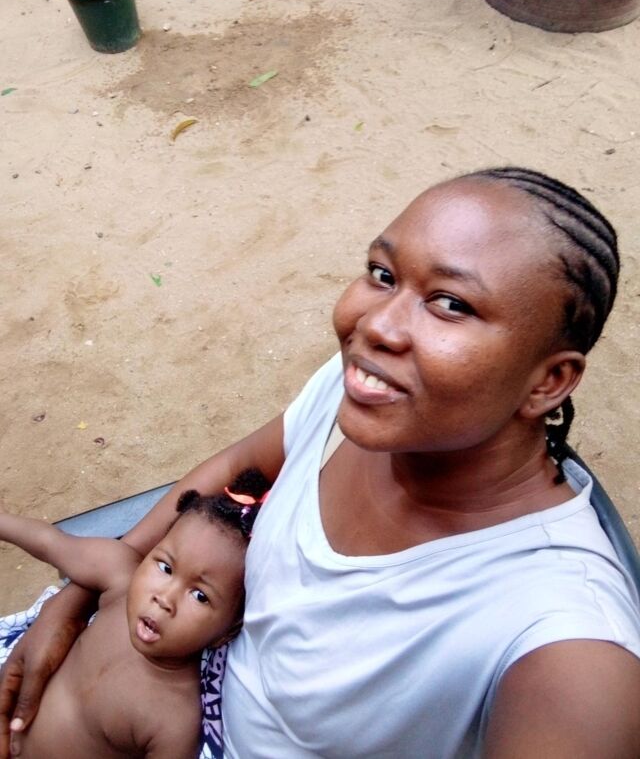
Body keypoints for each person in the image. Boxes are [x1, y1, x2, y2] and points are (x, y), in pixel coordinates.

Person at [2, 167, 640, 759]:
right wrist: (84, 598)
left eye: (450, 303)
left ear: (549, 381)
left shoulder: (565, 647)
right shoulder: (359, 401)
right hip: (165, 661)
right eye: (382, 274)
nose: (375, 326)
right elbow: (239, 467)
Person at [0, 469, 269, 759]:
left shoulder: (174, 721)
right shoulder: (121, 579)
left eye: (200, 596)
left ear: (226, 632)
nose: (165, 599)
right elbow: (49, 542)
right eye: (165, 568)